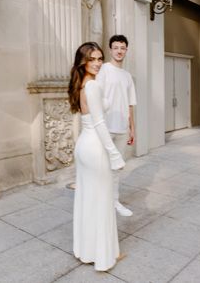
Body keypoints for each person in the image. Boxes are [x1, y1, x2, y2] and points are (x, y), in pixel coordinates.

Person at [68, 42, 125, 271]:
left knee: (88, 199)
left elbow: (96, 112)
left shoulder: (82, 83)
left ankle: (87, 251)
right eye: (92, 59)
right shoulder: (91, 86)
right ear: (83, 61)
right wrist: (114, 154)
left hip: (84, 145)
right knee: (101, 199)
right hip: (95, 146)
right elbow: (101, 123)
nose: (98, 63)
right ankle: (104, 256)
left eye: (100, 58)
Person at [96, 34, 137, 217]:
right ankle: (99, 201)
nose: (119, 51)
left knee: (117, 168)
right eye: (116, 47)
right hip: (105, 128)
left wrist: (132, 129)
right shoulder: (103, 70)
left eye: (122, 48)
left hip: (122, 129)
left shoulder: (127, 76)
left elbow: (130, 104)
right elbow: (96, 99)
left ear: (126, 50)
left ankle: (114, 201)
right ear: (110, 49)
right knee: (101, 167)